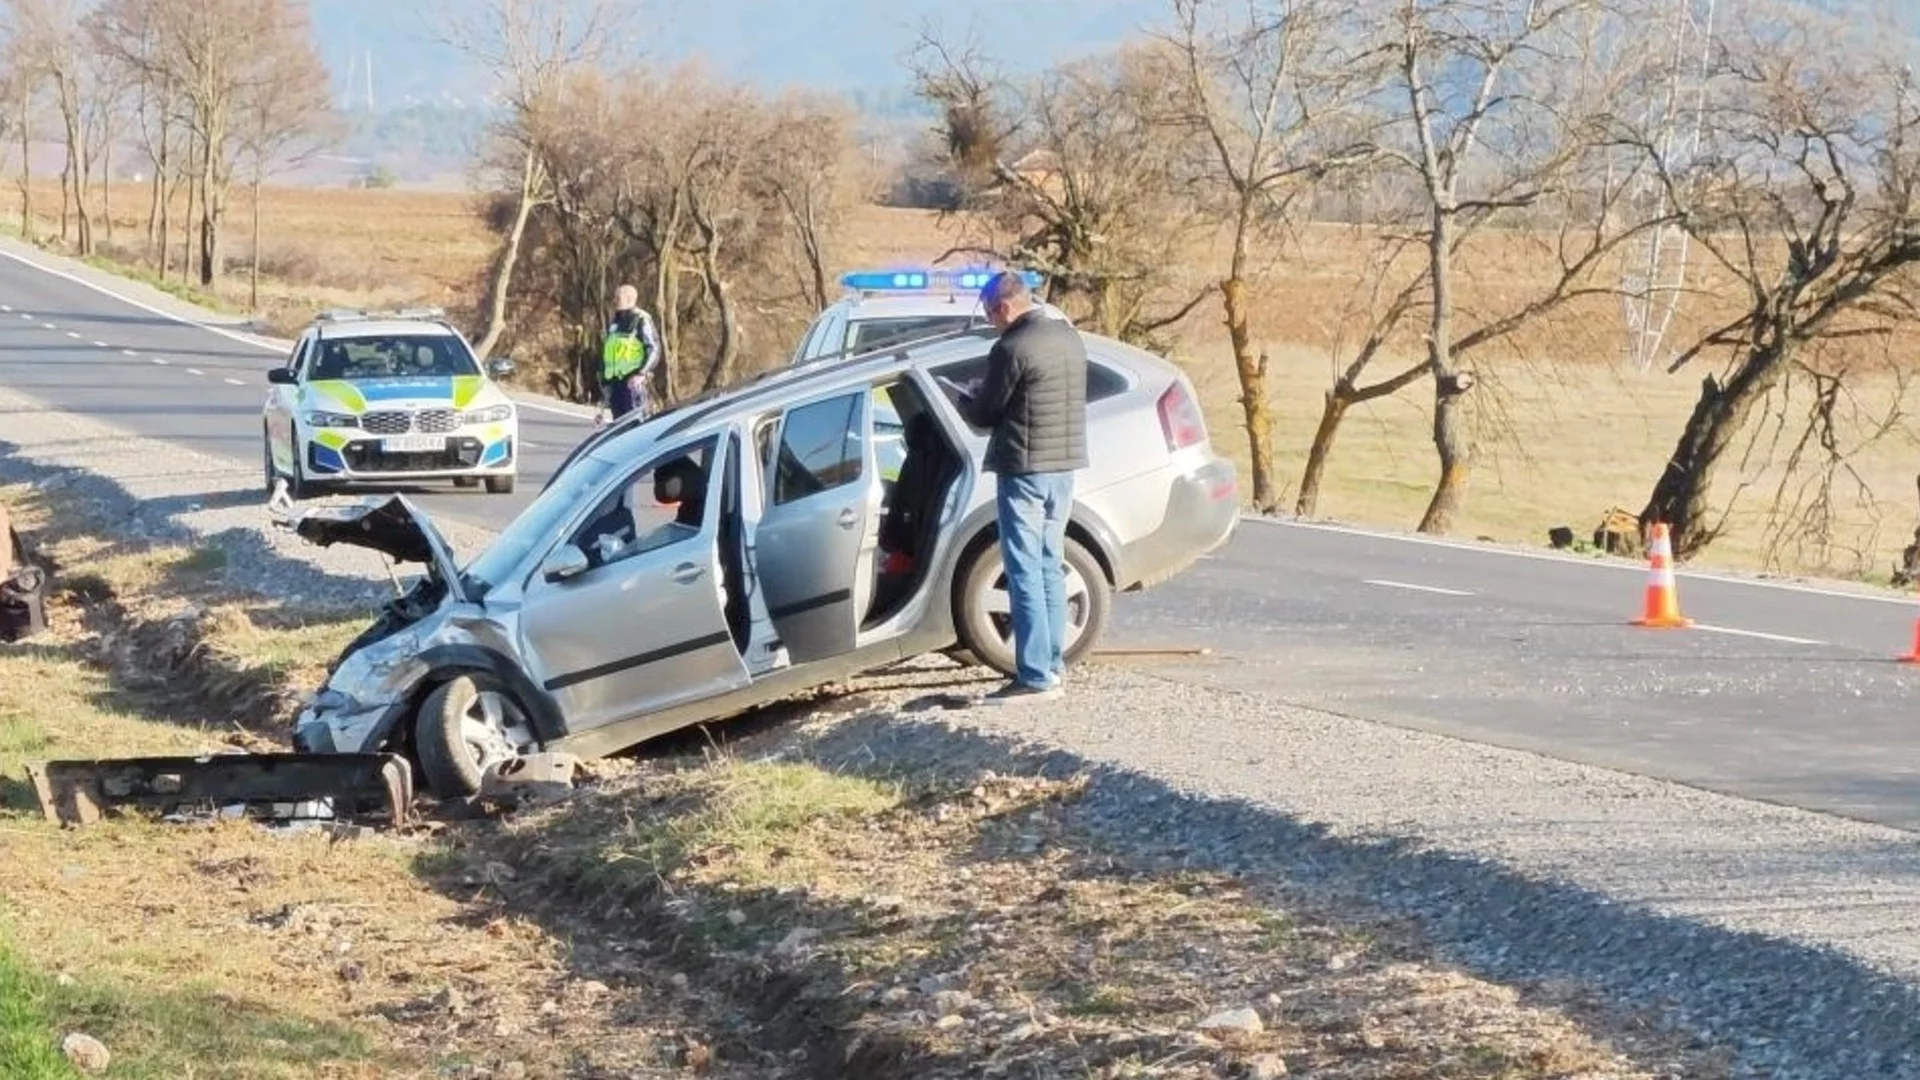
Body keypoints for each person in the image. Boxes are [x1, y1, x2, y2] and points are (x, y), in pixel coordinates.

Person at [953, 271, 1088, 705]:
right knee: (1050, 564)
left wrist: (965, 398)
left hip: (1025, 468)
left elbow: (986, 413)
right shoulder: (1069, 339)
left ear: (1004, 307)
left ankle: (1033, 675)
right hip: (1063, 467)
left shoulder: (1011, 347)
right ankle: (1051, 664)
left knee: (1023, 569)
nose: (993, 322)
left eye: (992, 314)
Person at [597, 284, 664, 426]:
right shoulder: (615, 322)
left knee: (636, 425)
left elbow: (653, 348)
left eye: (618, 297)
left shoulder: (640, 319)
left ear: (629, 299)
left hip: (633, 384)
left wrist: (641, 373)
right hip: (615, 384)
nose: (614, 300)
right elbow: (607, 353)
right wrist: (604, 379)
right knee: (619, 427)